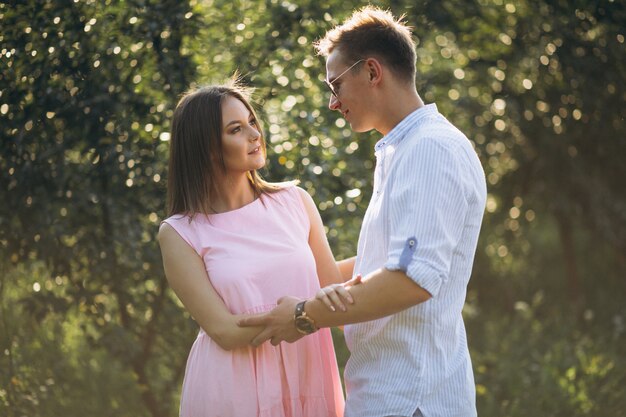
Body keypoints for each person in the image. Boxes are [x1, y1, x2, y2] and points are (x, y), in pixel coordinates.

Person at [238, 6, 487, 417]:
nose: (333, 103)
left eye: (335, 84)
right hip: (387, 396)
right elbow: (384, 264)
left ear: (372, 71)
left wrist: (303, 316)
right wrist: (286, 275)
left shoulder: (430, 149)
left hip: (411, 400)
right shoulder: (404, 149)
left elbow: (411, 280)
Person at [157, 81, 345, 416]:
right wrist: (304, 317)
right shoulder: (179, 233)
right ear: (206, 147)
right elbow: (225, 331)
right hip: (233, 388)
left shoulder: (295, 202)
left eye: (252, 122)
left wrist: (391, 262)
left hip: (307, 372)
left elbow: (329, 282)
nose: (254, 135)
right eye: (236, 129)